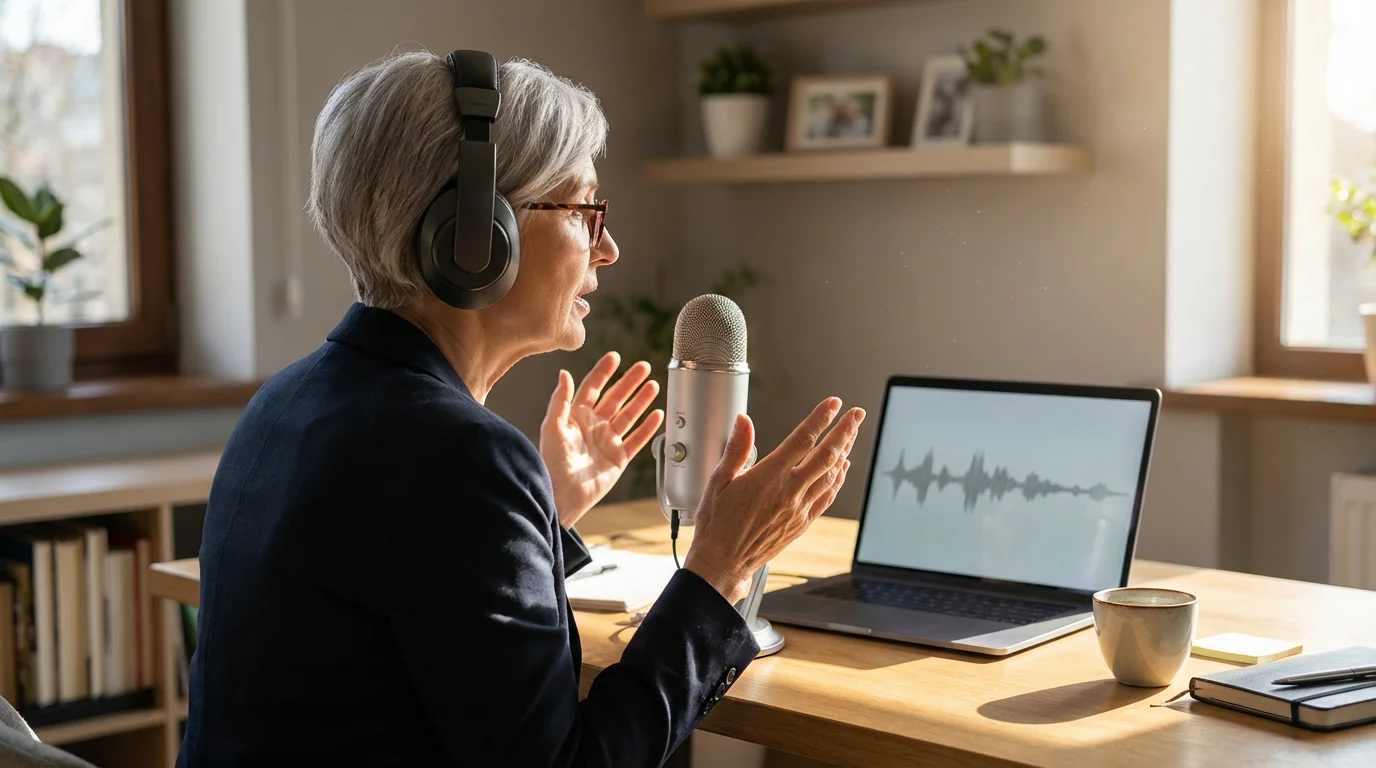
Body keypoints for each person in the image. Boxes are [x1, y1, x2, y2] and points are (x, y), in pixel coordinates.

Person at [177, 48, 865, 767]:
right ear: (476, 236)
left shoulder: (286, 402)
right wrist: (720, 568)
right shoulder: (458, 459)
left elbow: (394, 603)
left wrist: (542, 514)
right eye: (585, 211)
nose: (610, 249)